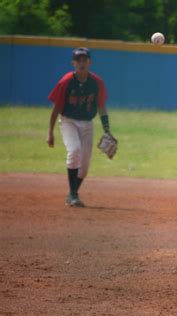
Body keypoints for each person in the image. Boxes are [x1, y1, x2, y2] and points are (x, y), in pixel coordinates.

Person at [47, 47, 111, 207]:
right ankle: (73, 194)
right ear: (73, 63)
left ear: (90, 62)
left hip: (87, 124)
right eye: (78, 60)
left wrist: (107, 130)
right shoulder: (66, 81)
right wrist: (50, 132)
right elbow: (56, 108)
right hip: (69, 121)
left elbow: (101, 107)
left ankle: (72, 194)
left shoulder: (97, 83)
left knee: (85, 163)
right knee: (74, 150)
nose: (82, 63)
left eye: (85, 60)